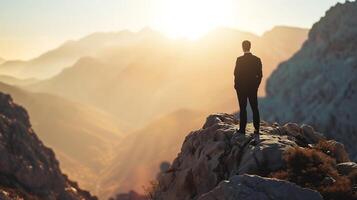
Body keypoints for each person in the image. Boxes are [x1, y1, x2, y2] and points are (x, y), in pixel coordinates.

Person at [234, 40, 262, 134]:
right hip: (252, 88)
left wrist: (236, 86)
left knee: (243, 108)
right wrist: (256, 86)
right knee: (255, 108)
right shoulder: (257, 59)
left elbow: (236, 74)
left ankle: (242, 129)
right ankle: (257, 129)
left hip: (241, 89)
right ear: (250, 47)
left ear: (242, 47)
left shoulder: (239, 60)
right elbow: (260, 75)